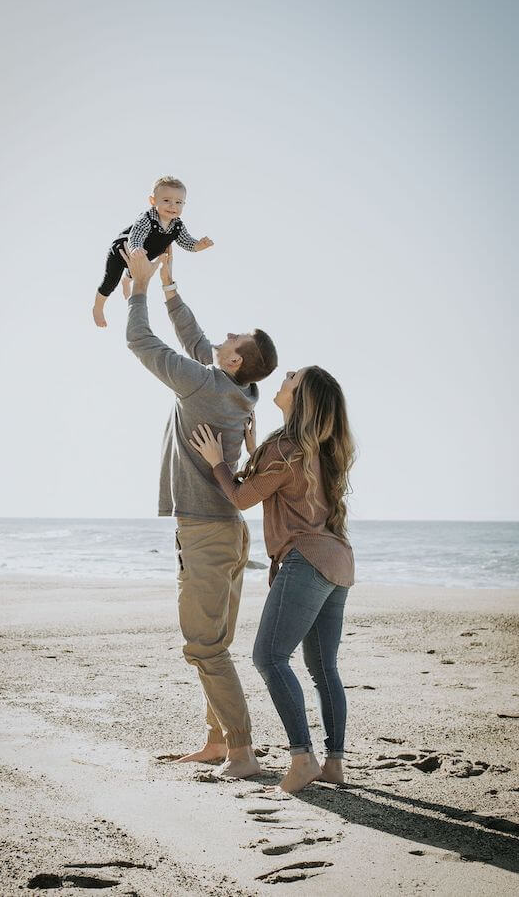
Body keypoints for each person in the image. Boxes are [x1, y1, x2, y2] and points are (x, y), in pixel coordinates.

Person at [122, 244, 278, 779]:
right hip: (227, 531)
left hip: (208, 532)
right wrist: (169, 285)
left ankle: (241, 752)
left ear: (234, 360)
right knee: (218, 644)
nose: (226, 333)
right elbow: (194, 339)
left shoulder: (207, 383)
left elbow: (140, 342)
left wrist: (138, 287)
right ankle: (217, 742)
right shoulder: (240, 388)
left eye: (234, 339)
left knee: (205, 647)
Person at [190, 365, 355, 793]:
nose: (284, 376)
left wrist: (217, 464)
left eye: (292, 378)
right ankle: (333, 763)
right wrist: (251, 453)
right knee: (323, 669)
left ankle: (302, 758)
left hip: (308, 560)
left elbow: (243, 497)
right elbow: (275, 484)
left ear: (300, 399)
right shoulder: (312, 449)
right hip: (338, 561)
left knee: (268, 657)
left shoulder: (286, 448)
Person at [92, 176, 214, 328]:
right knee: (110, 281)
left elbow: (186, 242)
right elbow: (136, 235)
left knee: (138, 271)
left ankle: (127, 280)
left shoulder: (177, 226)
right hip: (122, 251)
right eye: (166, 200)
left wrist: (198, 246)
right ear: (153, 201)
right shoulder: (147, 218)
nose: (172, 206)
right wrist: (135, 247)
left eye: (178, 202)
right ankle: (98, 308)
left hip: (144, 256)